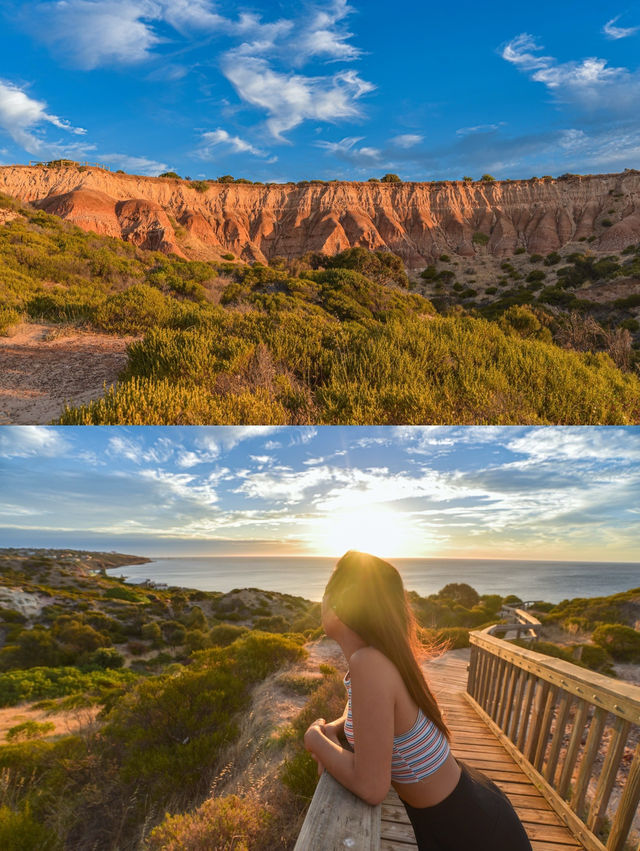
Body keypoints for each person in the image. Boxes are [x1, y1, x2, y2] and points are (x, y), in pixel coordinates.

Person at [303, 551, 533, 851]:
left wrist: (313, 738)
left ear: (339, 601)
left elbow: (372, 787)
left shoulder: (369, 663)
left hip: (469, 827)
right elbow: (362, 713)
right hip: (462, 809)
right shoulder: (378, 658)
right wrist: (333, 729)